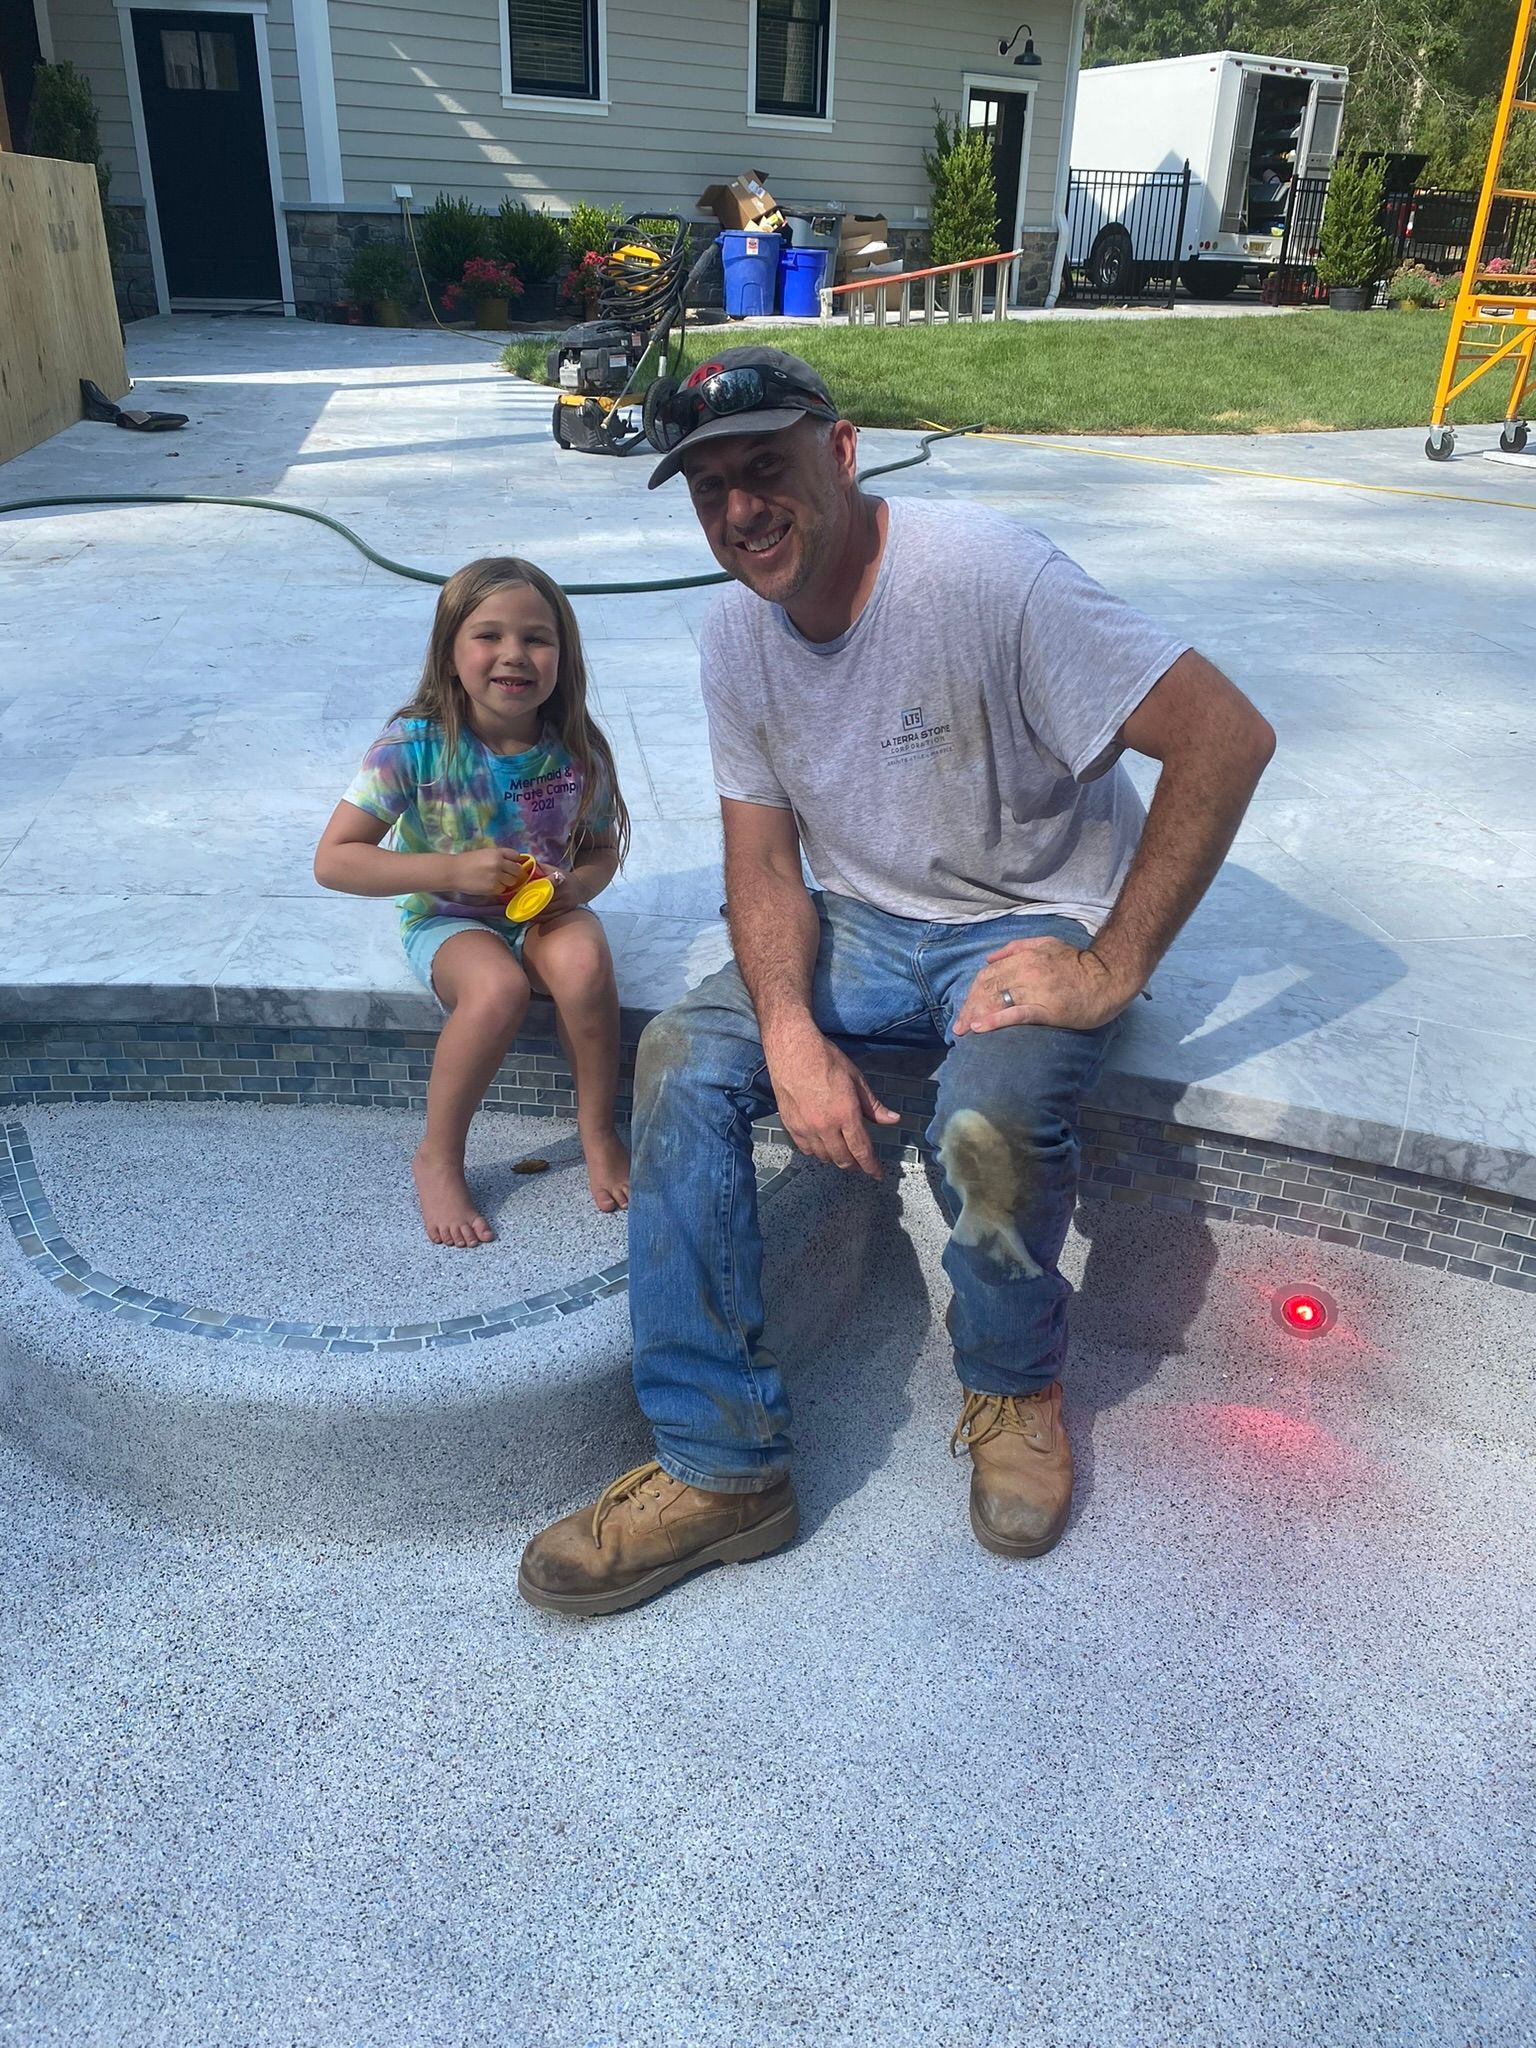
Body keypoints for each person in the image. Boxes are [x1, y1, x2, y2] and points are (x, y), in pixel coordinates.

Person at [518, 349, 1274, 1615]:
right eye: (708, 489)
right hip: (861, 918)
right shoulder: (734, 636)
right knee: (679, 1060)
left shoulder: (986, 575)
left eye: (766, 468)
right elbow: (760, 858)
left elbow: (1225, 733)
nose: (740, 511)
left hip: (1024, 910)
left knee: (985, 1112)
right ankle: (721, 1467)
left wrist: (1110, 964)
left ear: (845, 449)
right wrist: (788, 1031)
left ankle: (1015, 1383)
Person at [315, 555, 631, 1246]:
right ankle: (439, 1154)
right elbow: (334, 860)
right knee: (496, 992)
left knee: (585, 963)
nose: (513, 655)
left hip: (544, 909)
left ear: (562, 655)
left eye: (536, 638)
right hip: (447, 917)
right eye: (488, 635)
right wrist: (452, 867)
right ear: (450, 651)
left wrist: (575, 888)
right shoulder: (415, 747)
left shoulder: (576, 750)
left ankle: (598, 1128)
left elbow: (602, 849)